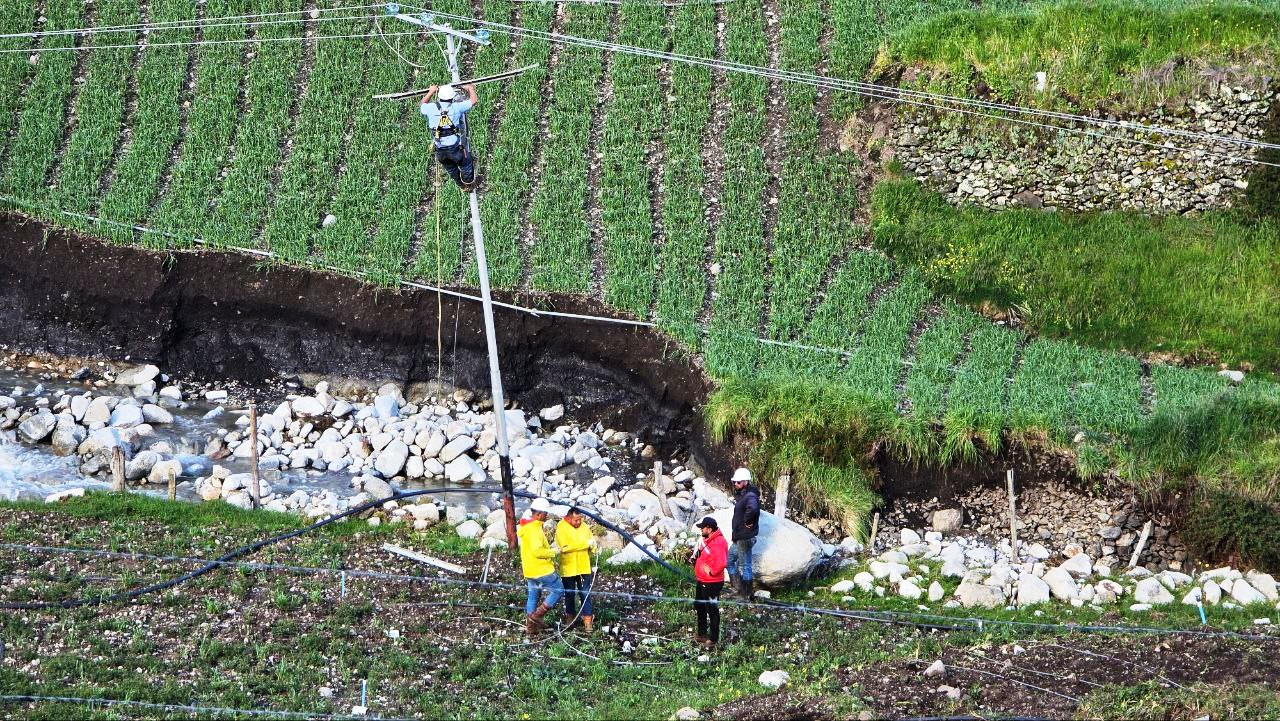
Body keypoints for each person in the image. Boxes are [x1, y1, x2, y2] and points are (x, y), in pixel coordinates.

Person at [420, 83, 479, 192]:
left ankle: (461, 185)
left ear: (439, 96)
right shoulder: (457, 107)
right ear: (452, 98)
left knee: (451, 169)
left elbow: (422, 104)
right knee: (466, 163)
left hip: (440, 150)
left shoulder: (430, 108)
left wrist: (431, 91)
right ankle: (468, 182)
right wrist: (470, 88)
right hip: (455, 149)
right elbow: (473, 101)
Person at [518, 497, 563, 635]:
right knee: (559, 589)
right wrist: (554, 551)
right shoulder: (534, 530)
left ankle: (530, 628)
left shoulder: (527, 527)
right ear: (538, 514)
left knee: (533, 595)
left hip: (529, 570)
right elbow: (537, 551)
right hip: (541, 569)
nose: (547, 515)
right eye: (545, 513)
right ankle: (537, 616)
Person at [555, 507, 597, 632]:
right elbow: (565, 547)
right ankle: (570, 620)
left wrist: (594, 547)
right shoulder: (561, 527)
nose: (578, 522)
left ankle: (588, 621)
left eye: (580, 519)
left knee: (585, 594)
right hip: (568, 567)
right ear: (568, 518)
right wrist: (586, 544)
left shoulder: (584, 527)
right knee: (569, 594)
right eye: (576, 520)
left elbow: (591, 541)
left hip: (583, 566)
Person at [691, 515, 728, 647]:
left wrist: (712, 571)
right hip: (702, 580)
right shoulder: (707, 539)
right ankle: (701, 634)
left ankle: (713, 639)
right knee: (699, 605)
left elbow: (722, 562)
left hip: (712, 582)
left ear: (709, 529)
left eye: (703, 528)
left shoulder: (719, 542)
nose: (701, 530)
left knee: (711, 609)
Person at [728, 467, 760, 598]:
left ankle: (746, 594)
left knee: (745, 566)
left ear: (745, 482)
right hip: (739, 536)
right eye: (735, 482)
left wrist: (747, 520)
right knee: (729, 561)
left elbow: (753, 508)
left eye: (738, 482)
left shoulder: (750, 495)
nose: (735, 484)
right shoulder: (745, 494)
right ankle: (739, 589)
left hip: (745, 537)